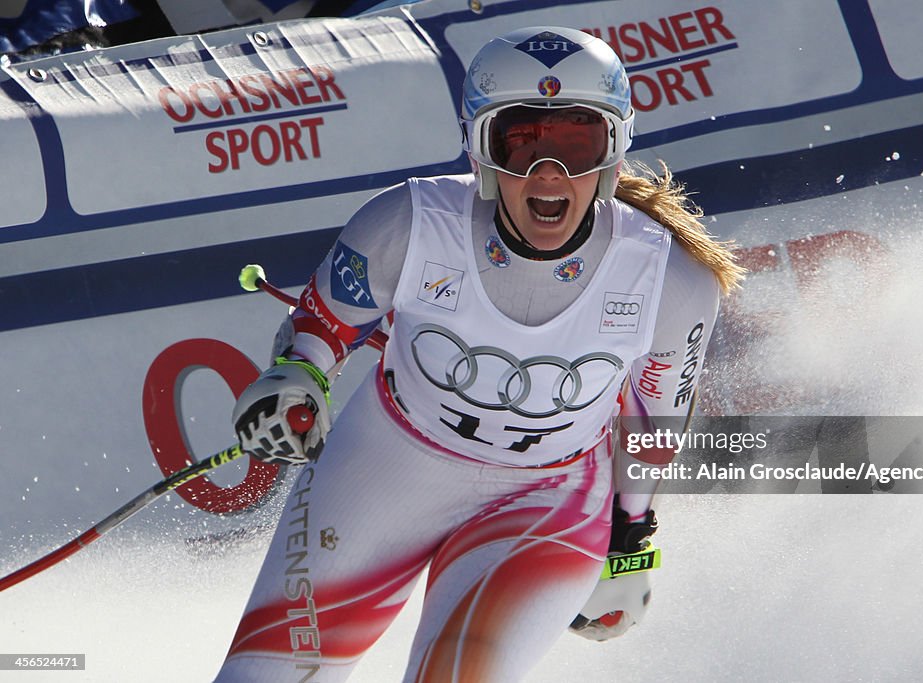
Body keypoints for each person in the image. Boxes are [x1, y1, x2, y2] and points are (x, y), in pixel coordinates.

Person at [214, 26, 743, 683]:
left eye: (578, 141)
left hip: (547, 496)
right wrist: (297, 376)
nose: (548, 173)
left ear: (614, 152)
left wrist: (629, 544)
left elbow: (652, 425)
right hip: (384, 468)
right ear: (479, 149)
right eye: (519, 140)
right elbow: (320, 325)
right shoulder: (408, 222)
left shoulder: (671, 279)